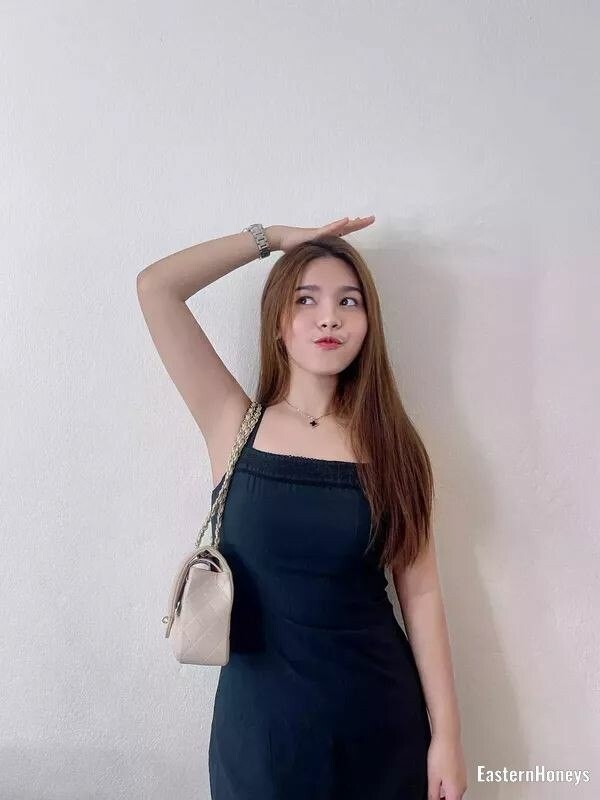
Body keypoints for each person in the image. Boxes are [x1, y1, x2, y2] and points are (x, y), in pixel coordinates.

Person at [136, 217, 467, 800]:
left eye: (348, 301)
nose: (329, 317)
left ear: (369, 323)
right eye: (305, 299)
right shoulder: (233, 425)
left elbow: (420, 594)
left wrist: (447, 736)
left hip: (379, 725)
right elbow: (156, 287)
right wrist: (276, 239)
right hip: (259, 736)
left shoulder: (394, 446)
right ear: (277, 322)